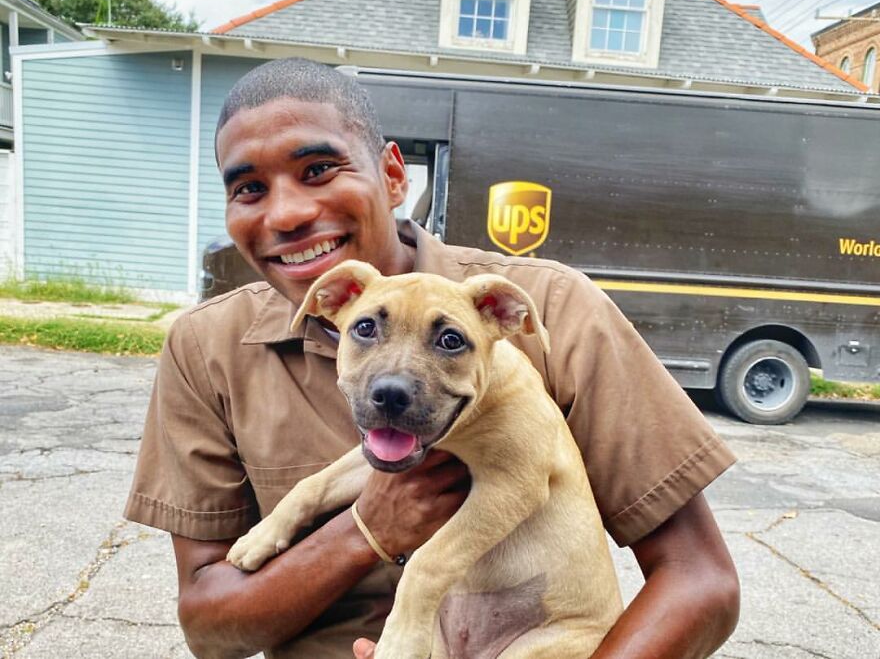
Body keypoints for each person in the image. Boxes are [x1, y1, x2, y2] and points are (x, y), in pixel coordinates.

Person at [125, 57, 740, 659]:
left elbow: (700, 583)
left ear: (395, 177)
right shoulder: (205, 347)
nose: (286, 213)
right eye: (249, 188)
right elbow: (209, 630)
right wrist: (366, 532)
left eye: (318, 169)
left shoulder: (551, 306)